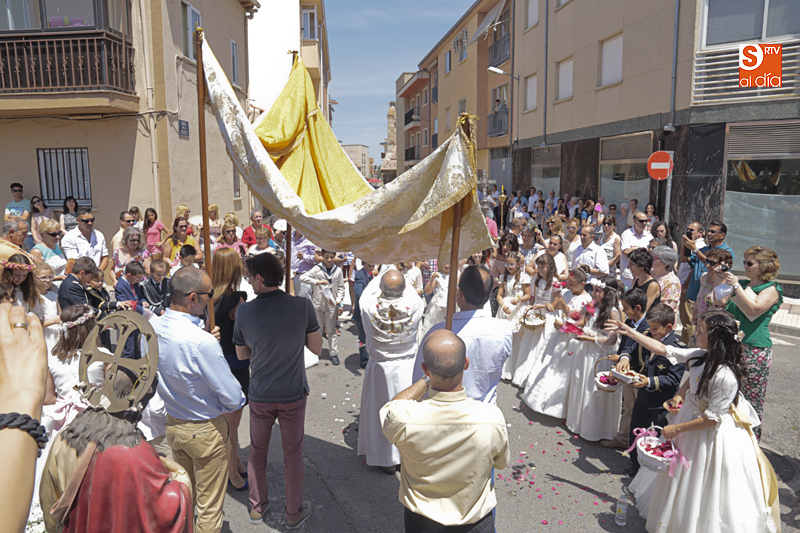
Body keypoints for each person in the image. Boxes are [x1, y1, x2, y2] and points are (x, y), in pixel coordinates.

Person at [609, 310, 780, 533]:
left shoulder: (726, 377)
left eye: (700, 331)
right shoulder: (700, 355)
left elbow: (712, 420)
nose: (695, 333)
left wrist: (677, 428)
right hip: (690, 416)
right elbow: (663, 349)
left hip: (708, 431)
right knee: (678, 472)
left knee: (699, 475)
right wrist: (629, 332)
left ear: (715, 339)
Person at [382, 329, 510, 533]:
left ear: (425, 369)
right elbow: (501, 463)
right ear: (465, 364)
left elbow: (390, 408)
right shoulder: (491, 418)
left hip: (423, 523)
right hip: (474, 524)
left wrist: (426, 380)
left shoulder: (404, 417)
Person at [153, 266, 246, 533]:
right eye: (209, 295)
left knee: (186, 497)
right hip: (205, 429)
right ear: (193, 298)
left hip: (174, 422)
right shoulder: (200, 342)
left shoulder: (154, 326)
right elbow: (233, 397)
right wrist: (207, 342)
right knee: (209, 509)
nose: (211, 300)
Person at [233, 252, 321, 529]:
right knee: (293, 455)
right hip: (292, 391)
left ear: (259, 278)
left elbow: (242, 354)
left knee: (257, 452)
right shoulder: (302, 306)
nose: (249, 282)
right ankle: (293, 512)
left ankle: (257, 507)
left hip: (260, 393)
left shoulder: (244, 311)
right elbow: (316, 348)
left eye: (250, 277)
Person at [358, 269, 424, 473]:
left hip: (381, 368)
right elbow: (412, 292)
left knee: (382, 412)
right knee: (406, 414)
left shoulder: (368, 305)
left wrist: (385, 269)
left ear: (380, 287)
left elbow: (367, 292)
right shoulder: (415, 305)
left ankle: (385, 457)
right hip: (406, 366)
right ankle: (404, 456)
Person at [723, 246, 782, 441]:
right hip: (734, 344)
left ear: (763, 267)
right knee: (728, 393)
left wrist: (736, 287)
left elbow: (753, 310)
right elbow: (720, 300)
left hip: (755, 348)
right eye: (745, 262)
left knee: (750, 398)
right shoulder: (743, 284)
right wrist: (719, 278)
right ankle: (728, 439)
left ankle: (749, 443)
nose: (745, 266)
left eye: (750, 263)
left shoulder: (771, 289)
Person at [521, 268, 591, 417]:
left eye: (572, 284)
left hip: (570, 336)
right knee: (548, 362)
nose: (569, 286)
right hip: (558, 332)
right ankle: (538, 398)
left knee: (562, 368)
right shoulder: (567, 293)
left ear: (582, 283)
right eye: (568, 283)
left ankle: (557, 405)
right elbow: (557, 307)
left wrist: (564, 321)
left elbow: (580, 321)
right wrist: (549, 306)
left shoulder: (587, 300)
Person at [564, 276, 623, 441]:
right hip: (586, 351)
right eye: (594, 290)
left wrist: (589, 338)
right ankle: (579, 423)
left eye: (598, 291)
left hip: (600, 353)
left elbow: (612, 340)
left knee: (594, 388)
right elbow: (578, 317)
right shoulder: (592, 305)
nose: (594, 293)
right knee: (581, 382)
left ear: (608, 293)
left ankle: (596, 429)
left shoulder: (613, 312)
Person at [210, 247, 249, 491]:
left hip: (215, 361)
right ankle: (231, 471)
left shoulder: (207, 297)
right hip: (235, 363)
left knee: (226, 421)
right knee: (231, 425)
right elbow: (247, 331)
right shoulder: (235, 298)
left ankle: (236, 462)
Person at [504, 253, 561, 387]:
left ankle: (537, 380)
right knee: (530, 344)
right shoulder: (536, 280)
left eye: (542, 267)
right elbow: (534, 298)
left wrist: (543, 306)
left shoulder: (555, 282)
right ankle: (524, 376)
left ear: (550, 267)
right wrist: (529, 307)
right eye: (538, 267)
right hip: (536, 313)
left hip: (548, 314)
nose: (540, 270)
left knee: (542, 344)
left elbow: (557, 301)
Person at [300, 250, 345, 365]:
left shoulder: (338, 270)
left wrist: (338, 300)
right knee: (318, 329)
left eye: (331, 257)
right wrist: (317, 282)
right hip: (318, 303)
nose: (329, 260)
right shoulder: (317, 269)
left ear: (334, 256)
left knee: (331, 329)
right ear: (322, 256)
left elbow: (341, 287)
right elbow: (303, 278)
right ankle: (317, 352)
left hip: (331, 304)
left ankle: (333, 352)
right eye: (326, 257)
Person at [678, 221, 706, 343]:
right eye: (687, 229)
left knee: (688, 322)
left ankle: (686, 346)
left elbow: (694, 268)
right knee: (685, 320)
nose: (688, 232)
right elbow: (684, 259)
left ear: (700, 233)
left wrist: (686, 285)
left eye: (692, 230)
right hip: (684, 284)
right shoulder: (690, 244)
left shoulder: (700, 247)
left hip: (689, 287)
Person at [61, 207, 109, 273]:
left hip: (97, 275)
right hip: (80, 276)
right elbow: (72, 261)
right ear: (78, 220)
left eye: (92, 220)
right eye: (86, 221)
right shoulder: (69, 237)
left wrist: (97, 273)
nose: (90, 223)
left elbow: (105, 257)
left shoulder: (99, 235)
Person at [419, 261, 457, 343]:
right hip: (437, 305)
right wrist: (432, 280)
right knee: (435, 324)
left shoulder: (456, 274)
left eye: (448, 263)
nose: (446, 265)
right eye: (444, 263)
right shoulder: (437, 275)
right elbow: (428, 291)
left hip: (451, 302)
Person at [620, 211, 652, 289]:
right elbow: (625, 251)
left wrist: (634, 248)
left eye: (646, 221)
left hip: (643, 276)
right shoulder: (626, 234)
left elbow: (652, 251)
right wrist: (640, 248)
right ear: (634, 221)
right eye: (641, 221)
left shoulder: (649, 235)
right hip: (628, 276)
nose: (644, 223)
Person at [353, 259, 375, 368]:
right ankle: (363, 359)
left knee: (367, 335)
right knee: (362, 337)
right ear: (363, 263)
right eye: (369, 265)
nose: (372, 268)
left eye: (373, 265)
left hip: (367, 311)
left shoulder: (369, 275)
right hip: (361, 311)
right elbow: (358, 292)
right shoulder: (360, 275)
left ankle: (367, 356)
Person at [651, 246, 681, 314]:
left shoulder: (672, 282)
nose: (652, 259)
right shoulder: (652, 274)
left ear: (665, 263)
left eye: (655, 258)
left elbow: (667, 309)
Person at [290, 229, 316, 300]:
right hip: (290, 276)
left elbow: (315, 258)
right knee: (291, 301)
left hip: (303, 276)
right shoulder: (290, 236)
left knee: (305, 301)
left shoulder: (310, 239)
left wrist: (304, 257)